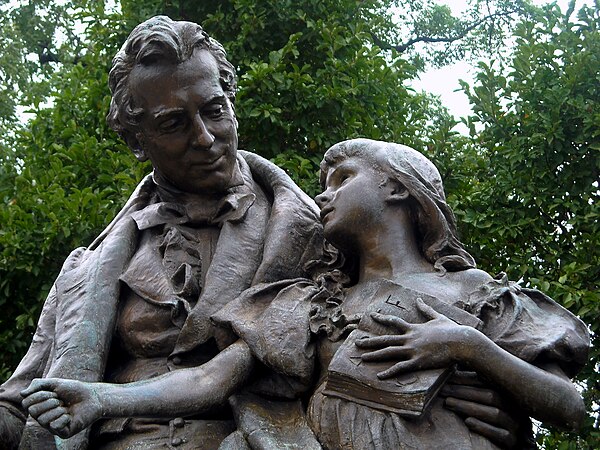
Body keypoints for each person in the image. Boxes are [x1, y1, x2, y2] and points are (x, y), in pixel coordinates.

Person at [0, 16, 324, 449]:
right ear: (138, 142)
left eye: (215, 110)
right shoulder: (88, 266)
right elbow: (21, 404)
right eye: (174, 124)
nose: (206, 138)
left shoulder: (307, 232)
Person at [206, 138, 589, 449]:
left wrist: (468, 345)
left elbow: (569, 406)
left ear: (396, 186)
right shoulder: (318, 303)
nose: (324, 197)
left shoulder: (473, 288)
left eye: (342, 179)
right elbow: (212, 380)